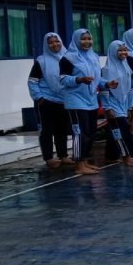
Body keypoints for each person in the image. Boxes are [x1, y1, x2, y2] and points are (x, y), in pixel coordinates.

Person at [60, 28, 115, 175]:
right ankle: (78, 164)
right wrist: (79, 79)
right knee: (80, 133)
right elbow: (63, 79)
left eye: (89, 39)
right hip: (76, 101)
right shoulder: (68, 58)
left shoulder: (94, 57)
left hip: (91, 100)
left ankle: (84, 161)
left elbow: (96, 78)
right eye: (83, 39)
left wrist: (106, 84)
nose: (87, 42)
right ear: (76, 40)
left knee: (90, 133)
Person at [28, 32, 70, 168]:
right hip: (46, 101)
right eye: (50, 42)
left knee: (61, 130)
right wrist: (39, 98)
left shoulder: (68, 58)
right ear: (46, 45)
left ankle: (63, 155)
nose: (54, 44)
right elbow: (32, 81)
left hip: (64, 100)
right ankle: (48, 158)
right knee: (46, 131)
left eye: (57, 41)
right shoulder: (41, 61)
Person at [100, 40, 133, 166]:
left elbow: (130, 88)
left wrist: (130, 106)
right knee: (123, 130)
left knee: (113, 131)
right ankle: (127, 155)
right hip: (113, 104)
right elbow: (104, 89)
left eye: (125, 50)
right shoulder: (107, 69)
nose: (123, 53)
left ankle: (111, 156)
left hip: (124, 103)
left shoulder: (126, 67)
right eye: (120, 50)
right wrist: (107, 107)